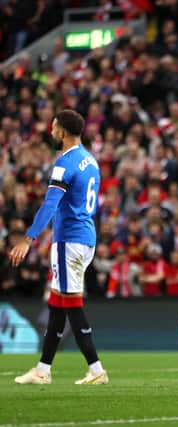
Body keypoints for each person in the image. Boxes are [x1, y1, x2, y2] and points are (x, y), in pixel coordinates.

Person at [10, 109, 109, 385]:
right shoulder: (90, 161)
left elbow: (50, 204)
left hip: (69, 241)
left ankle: (97, 370)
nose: (51, 131)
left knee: (72, 305)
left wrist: (28, 239)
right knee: (57, 304)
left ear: (62, 131)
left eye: (54, 127)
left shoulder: (64, 164)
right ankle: (42, 370)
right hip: (86, 238)